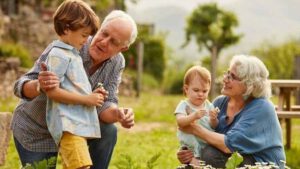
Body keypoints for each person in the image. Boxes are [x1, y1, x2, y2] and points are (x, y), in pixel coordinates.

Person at [11, 7, 138, 169]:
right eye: (104, 34)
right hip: (38, 128)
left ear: (123, 48)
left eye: (114, 42)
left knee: (108, 131)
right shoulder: (66, 45)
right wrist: (38, 85)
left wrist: (118, 114)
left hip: (74, 128)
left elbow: (107, 102)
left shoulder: (117, 62)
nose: (104, 42)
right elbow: (20, 85)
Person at [177, 55, 285, 168]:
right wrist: (187, 152)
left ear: (249, 85)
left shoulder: (262, 108)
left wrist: (194, 129)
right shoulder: (220, 103)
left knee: (210, 155)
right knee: (206, 155)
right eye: (227, 73)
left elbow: (228, 145)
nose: (225, 79)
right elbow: (206, 136)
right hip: (233, 157)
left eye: (232, 77)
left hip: (262, 164)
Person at [42, 1, 103, 169]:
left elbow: (72, 87)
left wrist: (93, 94)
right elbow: (52, 92)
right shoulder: (59, 55)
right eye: (84, 35)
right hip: (69, 127)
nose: (87, 40)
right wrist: (86, 99)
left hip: (76, 127)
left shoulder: (72, 54)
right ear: (67, 28)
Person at [174, 65, 219, 161]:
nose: (201, 94)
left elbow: (214, 126)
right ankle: (194, 162)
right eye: (196, 90)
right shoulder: (184, 105)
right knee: (192, 156)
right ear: (186, 89)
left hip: (206, 142)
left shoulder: (209, 105)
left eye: (205, 91)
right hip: (191, 144)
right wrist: (193, 116)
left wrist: (213, 119)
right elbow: (180, 122)